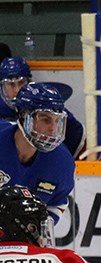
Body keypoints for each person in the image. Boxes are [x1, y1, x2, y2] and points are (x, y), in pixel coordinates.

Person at [0, 82, 75, 223]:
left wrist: (39, 230)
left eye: (57, 120)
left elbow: (56, 205)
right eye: (46, 119)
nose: (53, 128)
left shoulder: (62, 163)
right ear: (23, 116)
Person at [0, 56, 86, 159]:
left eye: (21, 83)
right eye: (11, 85)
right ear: (2, 87)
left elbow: (77, 136)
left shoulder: (48, 109)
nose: (17, 90)